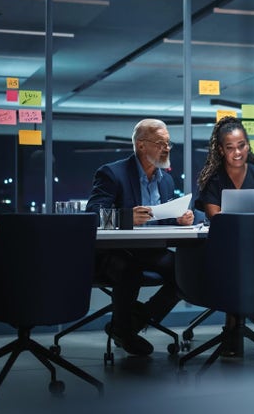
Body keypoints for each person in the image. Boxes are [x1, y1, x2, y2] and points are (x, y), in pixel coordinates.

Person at [86, 118, 195, 356]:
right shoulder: (112, 173)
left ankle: (132, 323)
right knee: (129, 271)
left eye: (168, 143)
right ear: (141, 145)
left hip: (150, 251)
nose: (166, 148)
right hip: (116, 253)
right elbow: (92, 215)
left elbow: (161, 217)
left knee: (186, 272)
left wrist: (181, 218)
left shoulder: (165, 179)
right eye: (160, 143)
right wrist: (126, 217)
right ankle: (125, 329)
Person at [194, 116, 254, 356]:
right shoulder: (213, 180)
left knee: (243, 261)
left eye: (241, 145)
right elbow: (218, 222)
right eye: (230, 148)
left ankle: (233, 326)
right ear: (221, 150)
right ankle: (234, 325)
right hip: (221, 250)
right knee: (236, 262)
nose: (237, 152)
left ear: (248, 145)